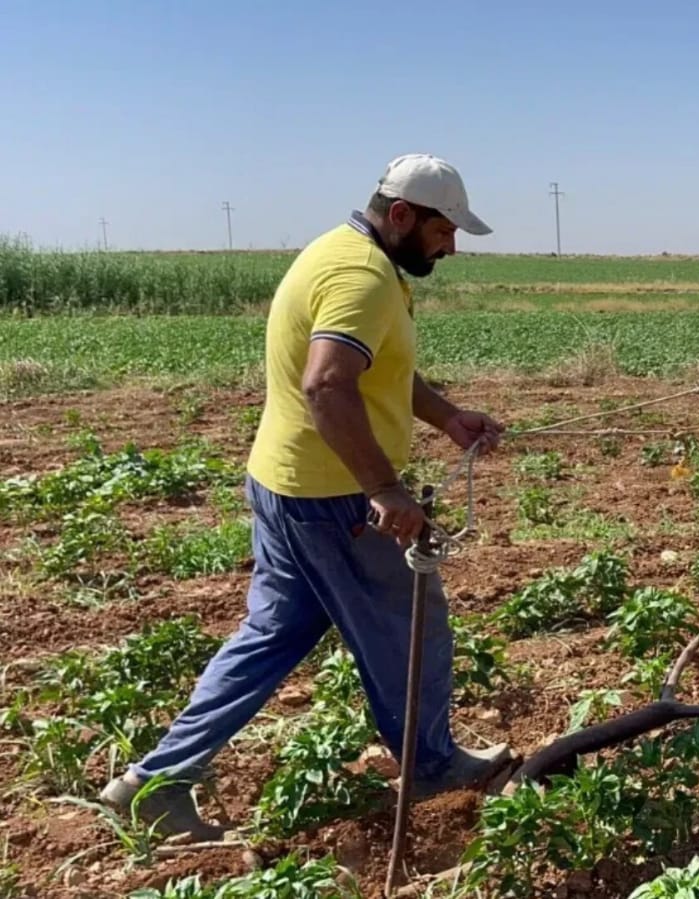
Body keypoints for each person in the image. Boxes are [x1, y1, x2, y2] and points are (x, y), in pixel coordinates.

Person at [99, 154, 514, 839]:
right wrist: (382, 487)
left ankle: (153, 784)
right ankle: (434, 766)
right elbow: (326, 384)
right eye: (443, 230)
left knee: (272, 636)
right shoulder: (362, 276)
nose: (451, 245)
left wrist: (444, 416)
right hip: (334, 499)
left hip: (285, 484)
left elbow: (372, 368)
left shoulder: (341, 252)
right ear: (403, 216)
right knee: (415, 627)